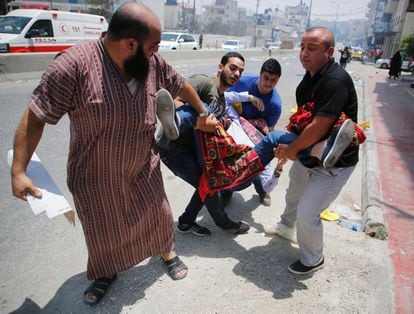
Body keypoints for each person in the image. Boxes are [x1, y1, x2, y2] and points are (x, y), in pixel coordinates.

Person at [10, 3, 211, 305]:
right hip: (95, 173)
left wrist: (202, 111)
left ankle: (165, 250)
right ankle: (107, 270)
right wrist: (19, 171)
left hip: (144, 164)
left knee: (158, 213)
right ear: (131, 43)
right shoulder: (73, 67)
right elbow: (36, 115)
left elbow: (179, 82)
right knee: (103, 229)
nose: (157, 52)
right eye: (153, 45)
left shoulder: (151, 63)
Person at [267, 26, 360, 275]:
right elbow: (305, 119)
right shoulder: (311, 75)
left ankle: (313, 258)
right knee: (295, 189)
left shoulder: (334, 81)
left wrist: (290, 151)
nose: (304, 53)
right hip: (310, 152)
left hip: (334, 162)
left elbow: (319, 127)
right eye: (302, 47)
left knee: (308, 213)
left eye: (312, 48)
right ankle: (286, 226)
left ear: (329, 52)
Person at [156, 52, 251, 236]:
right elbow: (174, 99)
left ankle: (186, 222)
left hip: (190, 148)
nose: (237, 73)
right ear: (220, 67)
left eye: (240, 71)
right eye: (233, 68)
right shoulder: (204, 82)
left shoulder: (222, 103)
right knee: (204, 109)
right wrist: (200, 118)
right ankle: (224, 223)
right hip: (173, 146)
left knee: (207, 182)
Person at [223, 58, 282, 206]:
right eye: (266, 78)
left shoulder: (275, 104)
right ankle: (226, 191)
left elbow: (270, 130)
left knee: (258, 162)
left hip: (256, 133)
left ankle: (262, 190)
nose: (268, 83)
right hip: (235, 125)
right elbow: (224, 98)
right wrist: (247, 98)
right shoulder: (243, 82)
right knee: (229, 162)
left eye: (273, 80)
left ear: (278, 80)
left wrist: (270, 152)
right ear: (260, 74)